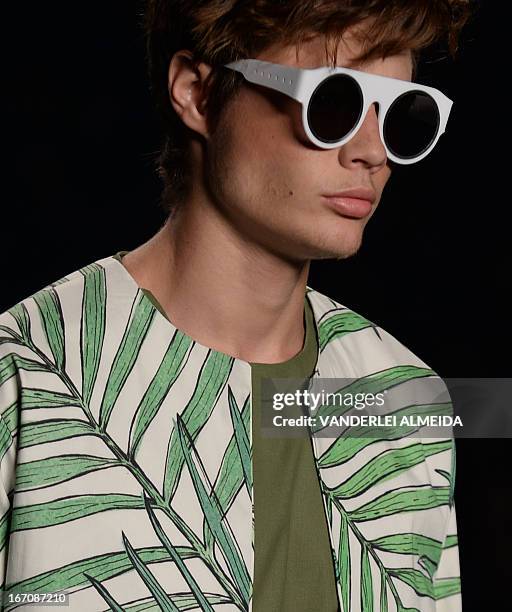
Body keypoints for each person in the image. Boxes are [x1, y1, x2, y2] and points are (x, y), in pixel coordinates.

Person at [0, 1, 473, 610]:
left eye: (401, 115)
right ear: (197, 94)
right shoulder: (30, 374)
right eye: (333, 102)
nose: (370, 153)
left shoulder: (407, 399)